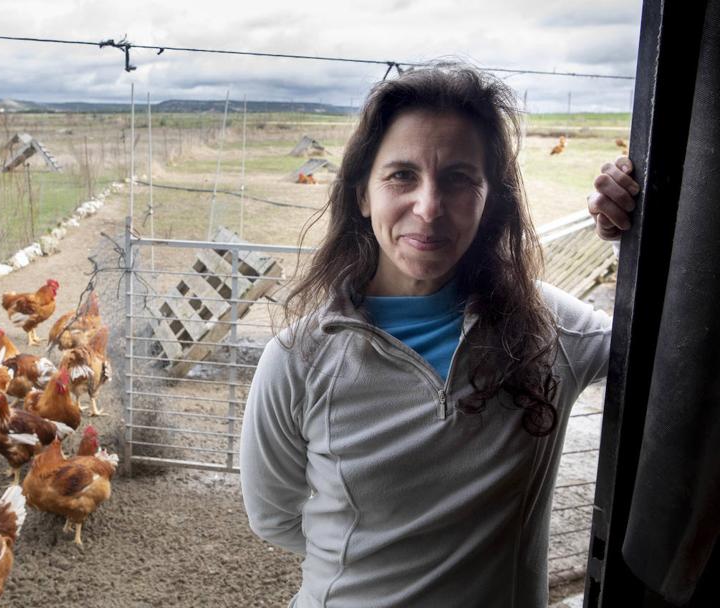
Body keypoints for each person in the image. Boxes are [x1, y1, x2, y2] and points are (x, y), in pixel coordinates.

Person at [239, 64, 638, 608]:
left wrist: (635, 238)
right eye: (401, 175)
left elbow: (668, 354)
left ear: (489, 199)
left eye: (458, 178)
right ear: (362, 195)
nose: (428, 208)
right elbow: (272, 515)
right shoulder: (297, 360)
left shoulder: (549, 329)